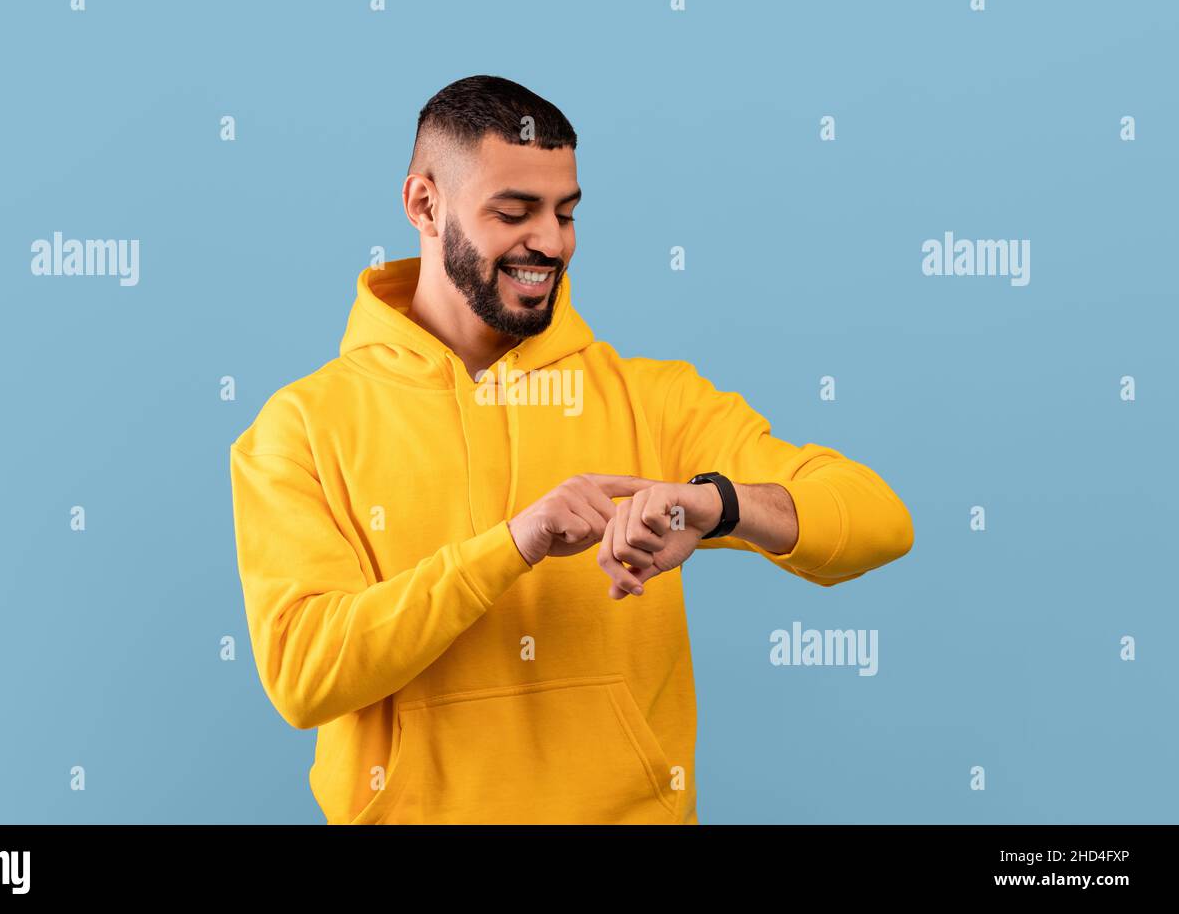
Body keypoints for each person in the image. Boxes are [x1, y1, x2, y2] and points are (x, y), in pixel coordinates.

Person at [229, 75, 914, 824]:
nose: (550, 243)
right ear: (424, 205)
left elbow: (880, 520)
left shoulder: (652, 400)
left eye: (565, 212)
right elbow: (303, 674)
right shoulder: (299, 426)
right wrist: (515, 544)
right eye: (514, 212)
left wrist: (718, 506)